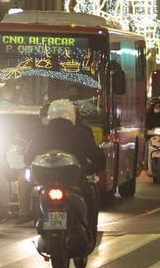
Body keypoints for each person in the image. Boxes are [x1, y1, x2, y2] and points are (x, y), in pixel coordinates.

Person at [23, 99, 105, 241]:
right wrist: (95, 166)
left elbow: (27, 158)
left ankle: (26, 214)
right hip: (76, 183)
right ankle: (90, 234)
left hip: (46, 183)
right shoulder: (80, 134)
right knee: (91, 194)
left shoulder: (40, 135)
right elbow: (97, 156)